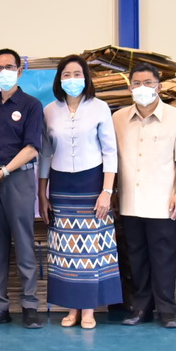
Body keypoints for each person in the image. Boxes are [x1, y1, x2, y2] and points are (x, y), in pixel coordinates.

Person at [113, 64, 176, 328]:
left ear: (159, 86)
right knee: (136, 259)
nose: (142, 88)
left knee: (164, 259)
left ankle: (167, 310)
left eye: (148, 83)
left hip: (164, 202)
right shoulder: (118, 118)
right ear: (130, 87)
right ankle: (141, 309)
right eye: (136, 83)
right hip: (130, 201)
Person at [39, 54, 120, 328]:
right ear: (59, 79)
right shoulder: (50, 110)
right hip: (61, 185)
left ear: (85, 78)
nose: (72, 79)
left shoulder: (100, 107)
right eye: (66, 74)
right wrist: (42, 193)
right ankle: (71, 309)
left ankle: (88, 310)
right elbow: (45, 153)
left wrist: (107, 191)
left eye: (77, 74)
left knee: (91, 248)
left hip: (92, 183)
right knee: (65, 250)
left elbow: (110, 151)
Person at [0, 48, 46, 328]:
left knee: (24, 242)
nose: (3, 72)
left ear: (19, 71)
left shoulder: (31, 105)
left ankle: (30, 306)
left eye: (9, 67)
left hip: (17, 179)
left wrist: (3, 172)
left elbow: (32, 149)